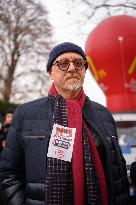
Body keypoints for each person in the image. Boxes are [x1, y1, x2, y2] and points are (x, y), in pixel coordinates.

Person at [0, 42, 130, 205]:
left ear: (84, 69)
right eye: (63, 63)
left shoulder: (103, 115)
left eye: (78, 63)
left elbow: (118, 171)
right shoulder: (26, 113)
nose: (71, 68)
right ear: (50, 72)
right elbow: (8, 172)